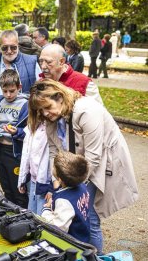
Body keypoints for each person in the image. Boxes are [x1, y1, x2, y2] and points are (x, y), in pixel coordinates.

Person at [28, 79, 138, 254]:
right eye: (40, 111)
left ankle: (94, 255)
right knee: (78, 209)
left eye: (47, 107)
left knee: (90, 214)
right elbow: (52, 152)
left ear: (60, 97)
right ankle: (78, 251)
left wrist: (72, 184)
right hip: (74, 168)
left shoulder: (87, 111)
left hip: (96, 163)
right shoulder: (50, 118)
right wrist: (56, 183)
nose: (45, 114)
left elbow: (93, 157)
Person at [0, 69, 28, 207]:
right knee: (5, 184)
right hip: (0, 149)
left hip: (15, 151)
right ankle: (9, 210)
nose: (8, 95)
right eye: (5, 91)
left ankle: (21, 212)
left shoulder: (25, 104)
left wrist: (17, 132)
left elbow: (31, 131)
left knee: (18, 187)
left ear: (19, 88)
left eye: (12, 91)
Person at [42, 151, 91, 244]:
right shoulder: (83, 186)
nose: (52, 167)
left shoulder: (64, 201)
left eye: (54, 167)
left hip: (73, 243)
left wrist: (47, 209)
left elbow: (58, 228)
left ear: (60, 179)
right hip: (83, 234)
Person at [0, 30, 40, 103]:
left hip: (25, 113)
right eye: (5, 48)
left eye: (13, 47)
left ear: (18, 45)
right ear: (0, 46)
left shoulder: (31, 63)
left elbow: (40, 92)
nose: (9, 51)